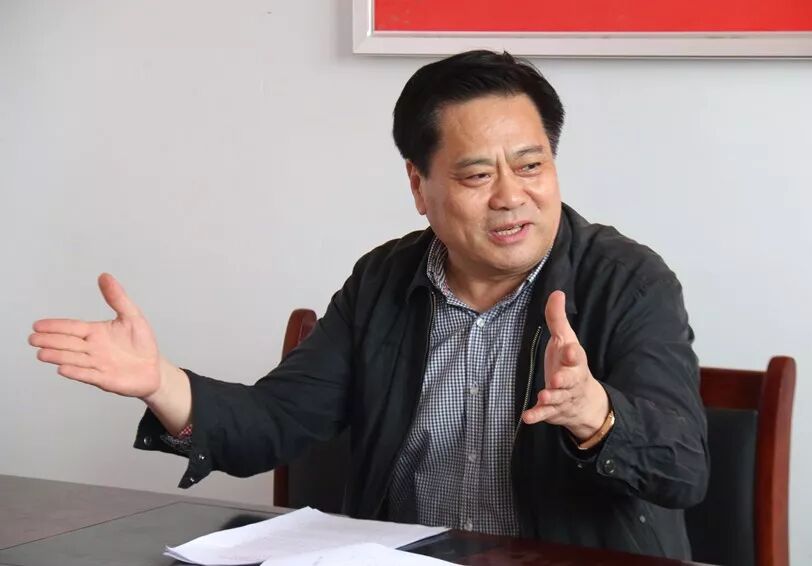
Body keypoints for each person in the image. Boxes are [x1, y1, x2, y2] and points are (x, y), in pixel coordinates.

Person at [29, 50, 708, 559]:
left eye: (531, 166)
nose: (511, 196)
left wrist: (596, 416)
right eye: (477, 174)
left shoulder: (627, 281)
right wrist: (160, 382)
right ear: (419, 185)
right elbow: (276, 422)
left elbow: (683, 468)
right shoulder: (384, 279)